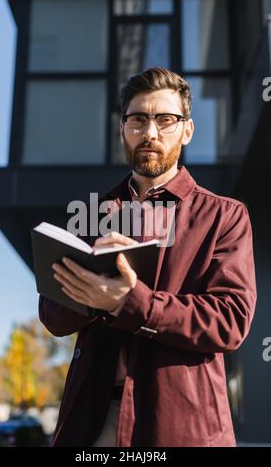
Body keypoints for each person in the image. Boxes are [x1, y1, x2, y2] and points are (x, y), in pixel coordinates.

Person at [39, 67, 257, 447]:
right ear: (122, 129)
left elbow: (231, 321)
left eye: (165, 120)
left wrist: (130, 301)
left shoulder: (225, 215)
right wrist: (91, 294)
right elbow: (52, 317)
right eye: (138, 120)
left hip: (183, 425)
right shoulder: (92, 215)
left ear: (187, 130)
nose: (150, 133)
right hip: (94, 423)